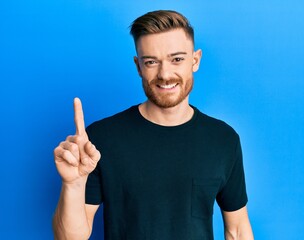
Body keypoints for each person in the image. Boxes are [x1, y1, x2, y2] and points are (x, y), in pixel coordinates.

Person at [53, 10, 254, 240]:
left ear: (195, 60)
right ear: (139, 66)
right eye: (151, 62)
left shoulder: (223, 139)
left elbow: (237, 230)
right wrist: (72, 185)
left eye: (177, 59)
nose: (165, 74)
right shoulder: (100, 139)